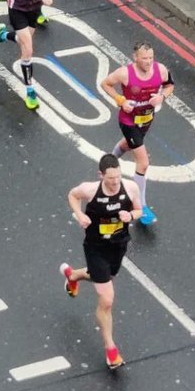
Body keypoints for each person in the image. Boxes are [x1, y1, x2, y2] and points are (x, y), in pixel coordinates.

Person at [61, 153, 144, 372]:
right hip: (95, 248)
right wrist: (79, 214)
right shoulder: (90, 190)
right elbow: (72, 195)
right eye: (110, 179)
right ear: (101, 176)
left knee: (106, 277)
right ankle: (111, 350)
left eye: (117, 177)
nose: (115, 182)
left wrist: (132, 216)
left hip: (118, 246)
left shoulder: (130, 188)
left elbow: (139, 209)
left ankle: (73, 275)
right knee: (107, 299)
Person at [100, 43, 174, 228]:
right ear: (135, 57)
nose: (148, 62)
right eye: (144, 58)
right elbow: (106, 84)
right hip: (129, 121)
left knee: (127, 145)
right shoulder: (125, 73)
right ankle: (141, 206)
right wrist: (120, 100)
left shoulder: (161, 70)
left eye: (151, 58)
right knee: (143, 162)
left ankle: (107, 163)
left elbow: (170, 85)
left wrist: (162, 97)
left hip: (146, 120)